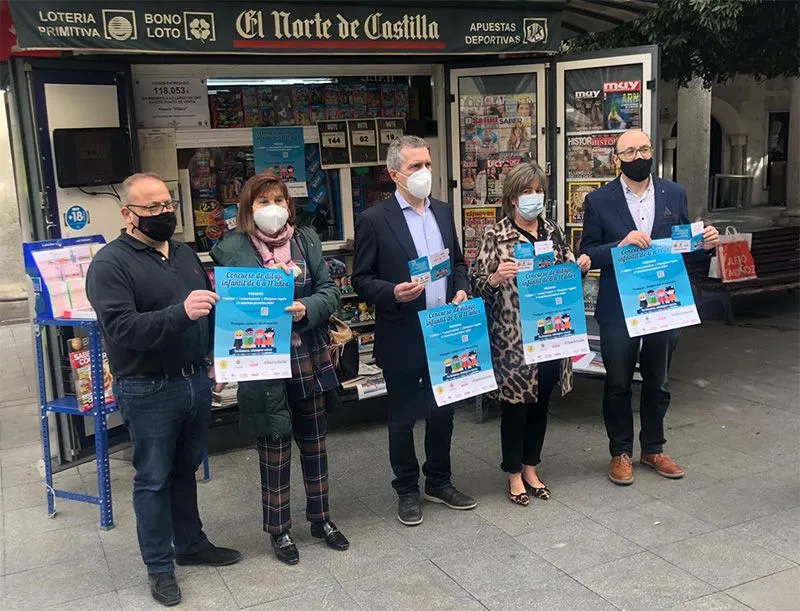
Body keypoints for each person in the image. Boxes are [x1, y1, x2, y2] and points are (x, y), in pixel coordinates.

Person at [86, 173, 241, 607]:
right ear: (127, 214)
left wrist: (215, 358)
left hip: (193, 380)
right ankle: (159, 567)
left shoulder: (184, 253)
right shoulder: (109, 264)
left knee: (184, 470)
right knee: (152, 479)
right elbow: (120, 327)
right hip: (147, 387)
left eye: (166, 204)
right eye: (150, 208)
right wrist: (180, 313)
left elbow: (206, 312)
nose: (162, 213)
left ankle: (190, 544)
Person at [210, 170, 349, 565]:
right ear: (247, 210)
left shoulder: (306, 241)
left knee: (315, 443)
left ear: (289, 205)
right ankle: (280, 529)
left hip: (307, 353)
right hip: (262, 361)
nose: (273, 210)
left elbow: (329, 292)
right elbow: (224, 310)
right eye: (263, 202)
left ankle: (321, 519)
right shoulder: (230, 250)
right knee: (273, 447)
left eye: (279, 201)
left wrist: (308, 309)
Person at [580, 129, 719, 486]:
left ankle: (653, 448)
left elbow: (684, 244)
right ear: (617, 159)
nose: (639, 156)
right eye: (630, 151)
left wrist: (705, 243)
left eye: (644, 148)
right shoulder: (598, 200)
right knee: (618, 382)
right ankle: (620, 453)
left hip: (664, 304)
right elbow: (588, 252)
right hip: (618, 308)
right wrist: (621, 244)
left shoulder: (674, 193)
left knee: (659, 380)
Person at [351, 135, 476, 526]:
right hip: (403, 332)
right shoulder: (375, 219)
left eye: (427, 164)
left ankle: (438, 480)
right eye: (414, 167)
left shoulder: (441, 210)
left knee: (443, 414)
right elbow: (361, 279)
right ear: (394, 174)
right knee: (403, 418)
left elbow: (457, 262)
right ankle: (406, 488)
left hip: (445, 330)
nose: (424, 173)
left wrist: (461, 288)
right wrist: (392, 292)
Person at [470, 162, 591, 505]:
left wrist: (579, 267)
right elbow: (476, 284)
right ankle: (512, 474)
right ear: (511, 198)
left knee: (541, 404)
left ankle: (531, 467)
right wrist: (494, 279)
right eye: (526, 191)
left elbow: (567, 271)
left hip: (551, 334)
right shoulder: (496, 235)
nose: (533, 197)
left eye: (538, 190)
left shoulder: (552, 230)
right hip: (513, 341)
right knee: (515, 408)